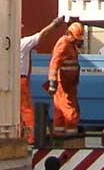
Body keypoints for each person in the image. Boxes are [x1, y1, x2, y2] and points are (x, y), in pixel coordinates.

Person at [18, 15, 69, 145]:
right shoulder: (22, 44)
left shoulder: (7, 45)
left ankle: (20, 134)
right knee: (26, 109)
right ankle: (32, 137)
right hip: (21, 80)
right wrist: (54, 24)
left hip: (10, 80)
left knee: (15, 110)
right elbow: (42, 34)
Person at [47, 21, 85, 132]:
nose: (78, 41)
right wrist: (52, 82)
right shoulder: (63, 44)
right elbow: (54, 62)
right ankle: (71, 132)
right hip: (63, 83)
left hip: (68, 83)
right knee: (68, 107)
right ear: (70, 34)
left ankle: (59, 132)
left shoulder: (70, 45)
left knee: (59, 107)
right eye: (77, 39)